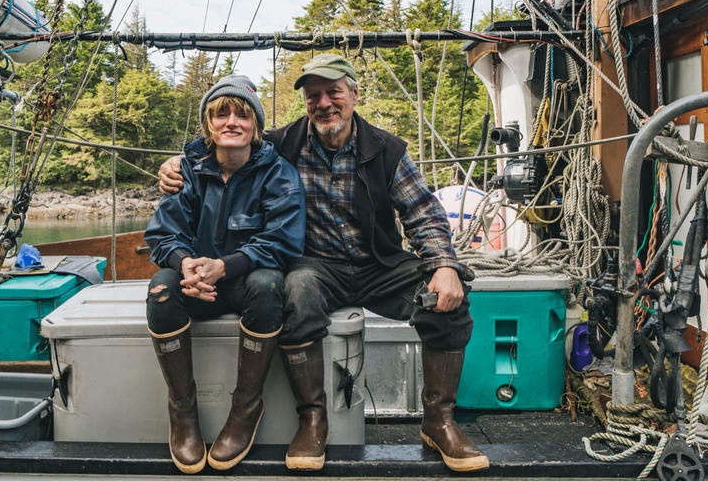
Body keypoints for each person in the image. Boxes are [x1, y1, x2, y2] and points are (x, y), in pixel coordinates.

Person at [158, 55, 488, 473]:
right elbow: (225, 137)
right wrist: (175, 165)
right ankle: (312, 420)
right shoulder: (281, 144)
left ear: (353, 94)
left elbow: (423, 213)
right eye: (314, 95)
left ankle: (438, 421)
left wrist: (443, 264)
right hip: (316, 266)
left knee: (448, 297)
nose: (325, 103)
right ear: (306, 103)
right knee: (295, 291)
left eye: (334, 92)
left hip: (379, 265)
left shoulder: (387, 150)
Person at [144, 74, 305, 474]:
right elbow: (163, 234)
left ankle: (245, 408)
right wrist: (185, 263)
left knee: (270, 284)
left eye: (242, 115)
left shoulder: (278, 173)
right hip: (193, 284)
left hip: (244, 286)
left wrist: (223, 266)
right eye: (221, 114)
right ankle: (182, 412)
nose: (231, 121)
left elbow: (283, 240)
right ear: (208, 125)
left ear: (256, 127)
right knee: (160, 290)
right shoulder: (187, 171)